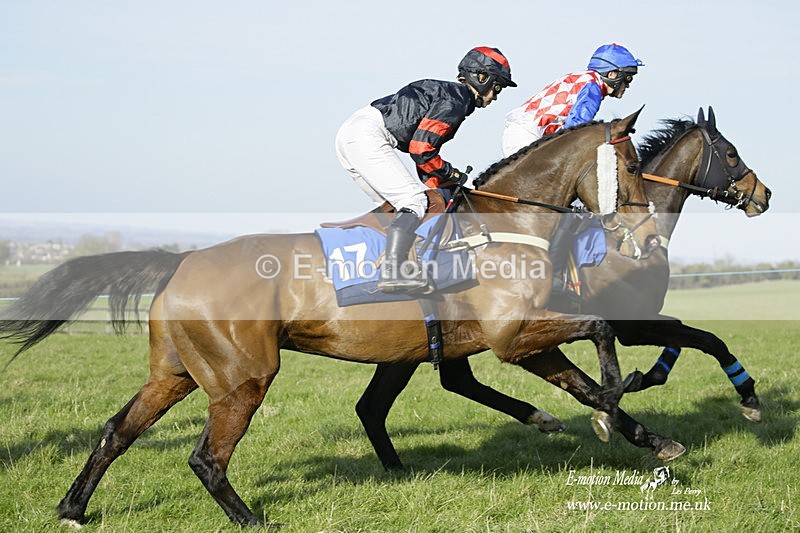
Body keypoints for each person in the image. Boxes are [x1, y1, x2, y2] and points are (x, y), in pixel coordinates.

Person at [336, 46, 516, 293]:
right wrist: (453, 175)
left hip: (353, 133)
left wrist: (443, 184)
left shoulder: (449, 95)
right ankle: (393, 272)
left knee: (395, 208)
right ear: (481, 77)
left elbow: (422, 156)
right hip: (367, 136)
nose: (495, 96)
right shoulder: (456, 101)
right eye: (497, 87)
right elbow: (421, 150)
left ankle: (385, 266)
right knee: (413, 201)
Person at [502, 43, 643, 157]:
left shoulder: (584, 79)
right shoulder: (593, 88)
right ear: (612, 74)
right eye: (628, 78)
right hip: (528, 135)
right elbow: (576, 129)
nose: (628, 85)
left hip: (524, 132)